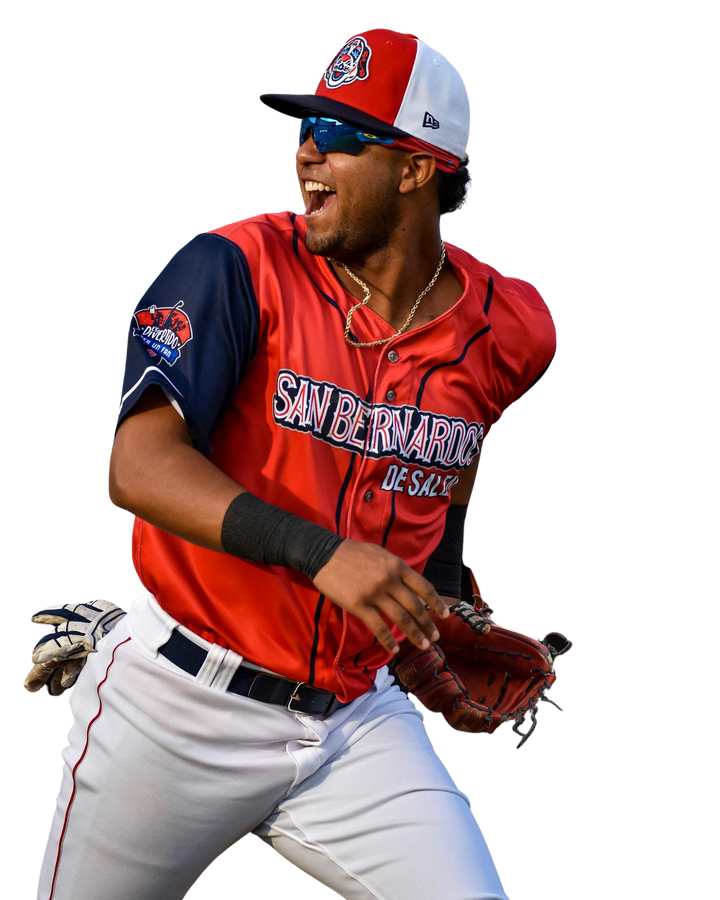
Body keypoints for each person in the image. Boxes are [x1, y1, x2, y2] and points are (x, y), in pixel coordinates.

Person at [34, 25, 558, 900]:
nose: (306, 151)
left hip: (356, 720)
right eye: (304, 128)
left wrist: (443, 578)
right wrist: (323, 555)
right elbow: (138, 467)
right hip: (175, 706)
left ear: (417, 168)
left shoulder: (515, 324)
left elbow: (468, 432)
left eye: (339, 134)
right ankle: (120, 641)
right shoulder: (232, 265)